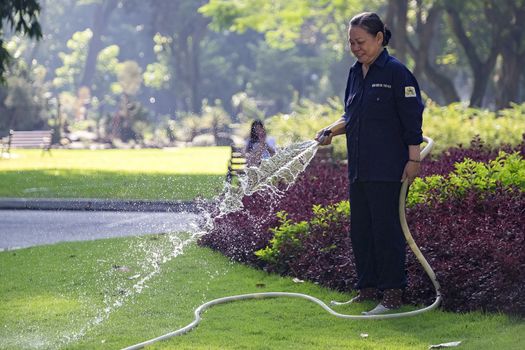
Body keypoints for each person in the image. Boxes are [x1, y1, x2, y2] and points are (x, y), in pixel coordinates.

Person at [315, 12, 424, 315]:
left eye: (361, 42)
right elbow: (350, 116)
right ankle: (366, 290)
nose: (356, 48)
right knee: (361, 230)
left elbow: (412, 118)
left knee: (386, 230)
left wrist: (414, 159)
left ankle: (392, 297)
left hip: (388, 168)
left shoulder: (396, 73)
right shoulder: (354, 73)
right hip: (360, 167)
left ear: (378, 39)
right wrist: (330, 131)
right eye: (351, 43)